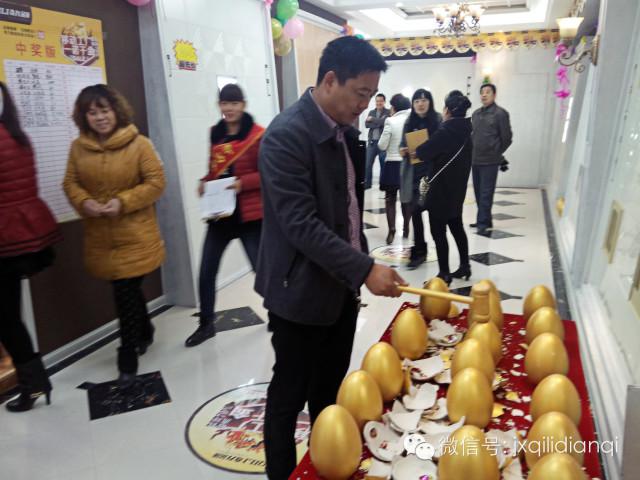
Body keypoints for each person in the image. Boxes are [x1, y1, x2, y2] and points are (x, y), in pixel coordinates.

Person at [255, 36, 406, 480]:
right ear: (329, 80)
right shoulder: (286, 136)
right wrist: (365, 268)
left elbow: (348, 214)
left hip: (339, 290)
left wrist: (361, 262)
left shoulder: (344, 132)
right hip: (298, 293)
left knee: (329, 392)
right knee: (289, 395)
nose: (365, 105)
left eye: (371, 95)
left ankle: (325, 464)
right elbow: (301, 224)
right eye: (360, 93)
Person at [63, 84, 165, 388]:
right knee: (127, 290)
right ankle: (145, 330)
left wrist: (123, 202)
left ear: (116, 111)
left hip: (136, 234)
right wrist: (84, 202)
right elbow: (70, 183)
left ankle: (127, 360)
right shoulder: (78, 148)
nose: (99, 117)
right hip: (101, 237)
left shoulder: (139, 144)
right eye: (92, 112)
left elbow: (156, 182)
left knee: (124, 293)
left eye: (104, 110)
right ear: (84, 117)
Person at [185, 84, 265, 347]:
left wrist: (243, 183)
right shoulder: (215, 133)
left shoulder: (257, 135)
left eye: (234, 103)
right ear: (219, 105)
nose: (229, 108)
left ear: (243, 105)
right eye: (224, 103)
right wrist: (204, 182)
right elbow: (214, 170)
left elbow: (268, 173)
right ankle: (206, 324)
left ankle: (278, 314)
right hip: (220, 215)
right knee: (206, 271)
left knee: (261, 271)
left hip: (249, 216)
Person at [0, 81, 61, 412]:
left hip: (6, 236)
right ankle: (35, 382)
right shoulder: (17, 135)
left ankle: (33, 384)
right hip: (19, 234)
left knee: (6, 318)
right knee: (9, 314)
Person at [415, 91, 473, 285]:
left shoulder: (445, 131)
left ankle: (444, 273)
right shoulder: (467, 131)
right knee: (457, 226)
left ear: (447, 110)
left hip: (440, 190)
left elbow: (423, 152)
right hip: (458, 189)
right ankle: (465, 265)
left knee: (438, 232)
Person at [399, 89, 442, 269]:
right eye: (417, 101)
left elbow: (443, 147)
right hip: (414, 174)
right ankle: (419, 249)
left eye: (424, 100)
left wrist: (426, 151)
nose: (420, 104)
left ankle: (439, 252)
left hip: (433, 174)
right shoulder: (409, 121)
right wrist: (403, 151)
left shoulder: (438, 121)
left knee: (435, 216)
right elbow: (402, 145)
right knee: (415, 212)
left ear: (430, 102)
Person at [470, 83, 513, 234]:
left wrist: (496, 152)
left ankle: (483, 223)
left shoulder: (500, 114)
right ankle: (485, 219)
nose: (484, 95)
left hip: (490, 161)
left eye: (487, 92)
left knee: (486, 193)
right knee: (478, 192)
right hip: (475, 159)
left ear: (494, 95)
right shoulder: (476, 114)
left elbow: (507, 138)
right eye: (482, 92)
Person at [377, 93, 412, 244]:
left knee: (390, 199)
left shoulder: (390, 121)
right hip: (407, 164)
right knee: (406, 199)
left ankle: (392, 229)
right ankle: (406, 228)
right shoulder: (412, 120)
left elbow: (382, 145)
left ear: (394, 107)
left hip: (392, 164)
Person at [364, 93, 390, 189]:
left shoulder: (388, 112)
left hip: (383, 143)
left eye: (381, 101)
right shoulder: (371, 112)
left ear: (384, 102)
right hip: (372, 142)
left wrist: (372, 120)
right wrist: (379, 123)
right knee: (367, 164)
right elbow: (366, 125)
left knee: (383, 165)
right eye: (377, 101)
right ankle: (367, 184)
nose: (379, 103)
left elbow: (385, 122)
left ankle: (382, 185)